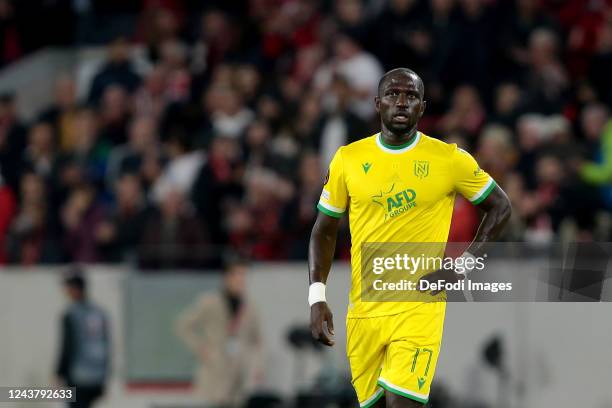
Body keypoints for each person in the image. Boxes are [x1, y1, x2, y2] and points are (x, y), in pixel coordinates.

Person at [308, 68, 511, 407]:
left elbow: (500, 208)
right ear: (377, 103)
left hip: (419, 306)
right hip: (365, 311)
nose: (401, 102)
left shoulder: (448, 159)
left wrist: (462, 267)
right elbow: (324, 230)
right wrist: (317, 296)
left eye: (411, 96)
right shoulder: (349, 159)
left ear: (422, 107)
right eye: (393, 94)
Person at [176, 258, 262, 407]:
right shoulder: (210, 301)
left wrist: (256, 364)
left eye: (243, 275)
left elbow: (258, 339)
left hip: (238, 371)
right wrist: (201, 348)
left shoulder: (248, 306)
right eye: (237, 275)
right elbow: (183, 325)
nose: (241, 280)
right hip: (215, 369)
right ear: (227, 277)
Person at [56, 267, 111, 408]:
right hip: (97, 376)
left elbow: (68, 347)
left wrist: (59, 372)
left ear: (75, 289)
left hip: (78, 376)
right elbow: (106, 346)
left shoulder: (71, 314)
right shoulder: (99, 313)